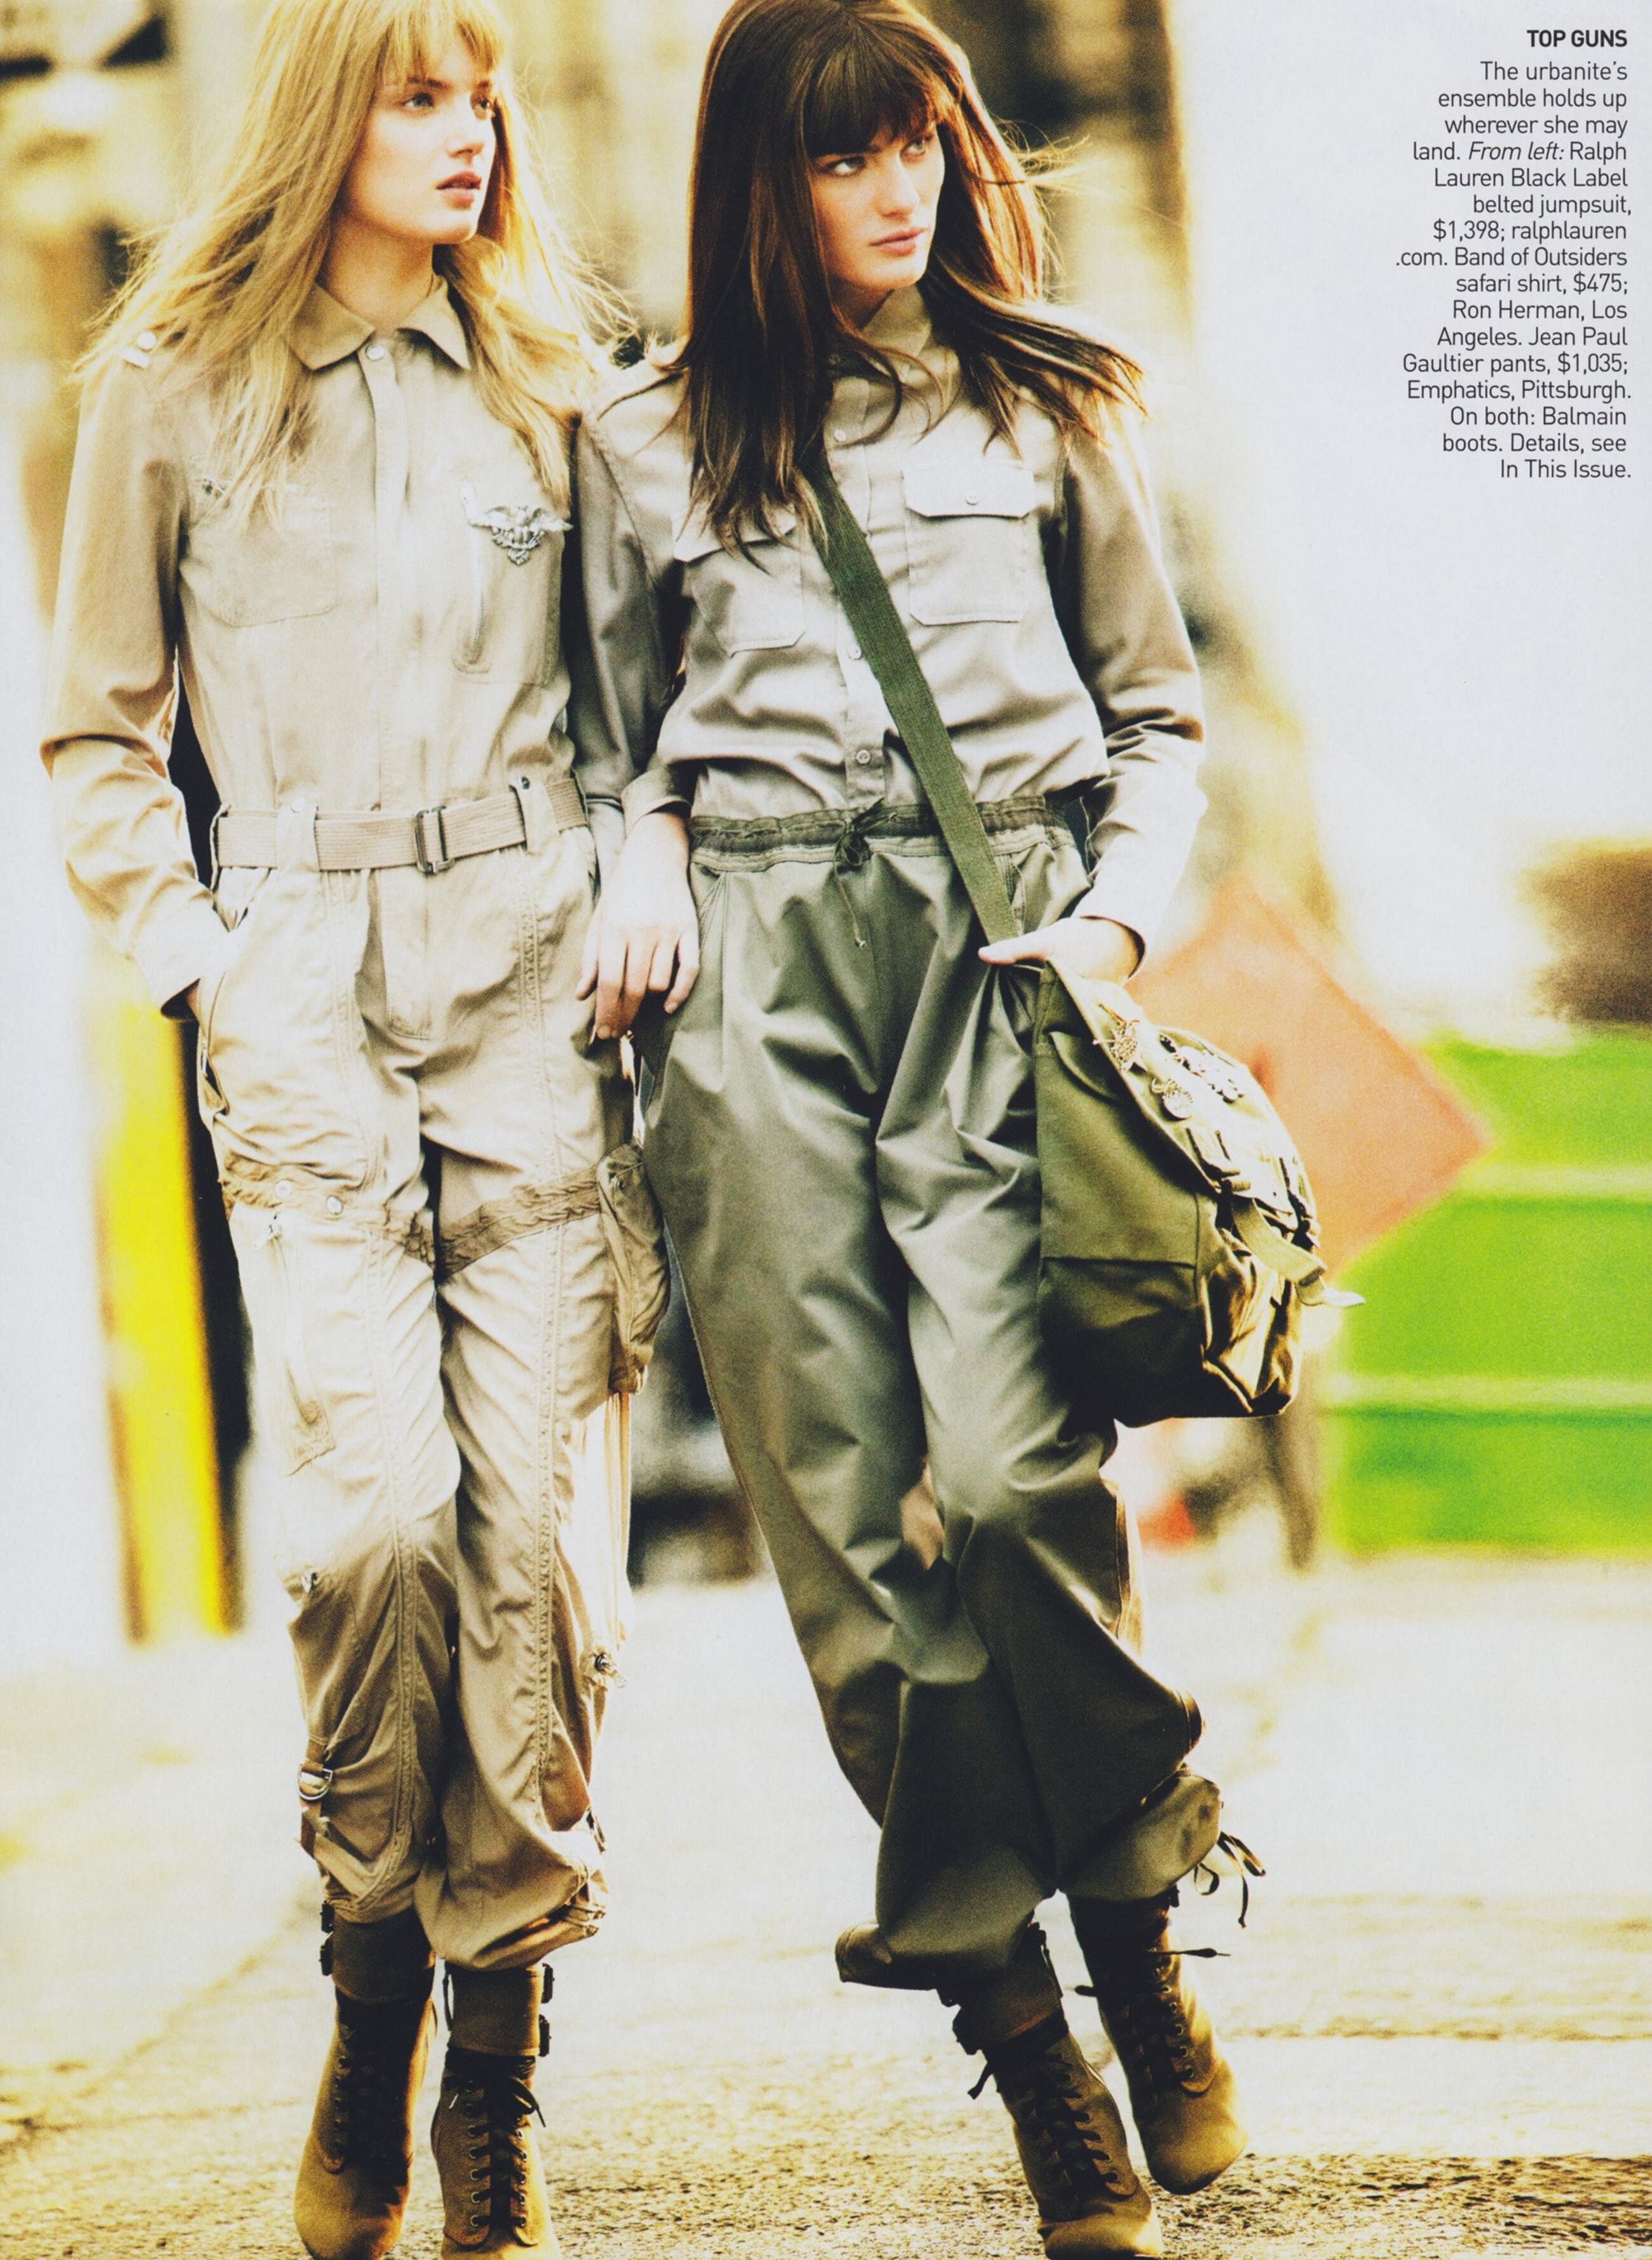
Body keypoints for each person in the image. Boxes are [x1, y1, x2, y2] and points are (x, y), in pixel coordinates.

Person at [572, 1, 1246, 2252]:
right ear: (756, 185)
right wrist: (645, 843)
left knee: (1021, 1468)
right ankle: (1031, 2039)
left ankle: (1138, 1909)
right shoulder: (644, 438)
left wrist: (1117, 922)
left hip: (1001, 953)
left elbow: (1158, 715)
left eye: (926, 149)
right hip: (755, 982)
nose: (901, 191)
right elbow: (606, 733)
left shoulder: (1054, 400)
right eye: (848, 158)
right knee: (857, 1535)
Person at [41, 1, 665, 2252]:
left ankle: (493, 2069)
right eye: (420, 95)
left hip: (533, 993)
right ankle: (370, 1973)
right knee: (375, 1531)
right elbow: (98, 733)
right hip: (299, 985)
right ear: (327, 113)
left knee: (542, 1572)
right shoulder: (173, 385)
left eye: (482, 95)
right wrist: (199, 957)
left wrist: (649, 855)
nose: (469, 130)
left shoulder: (558, 385)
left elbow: (650, 704)